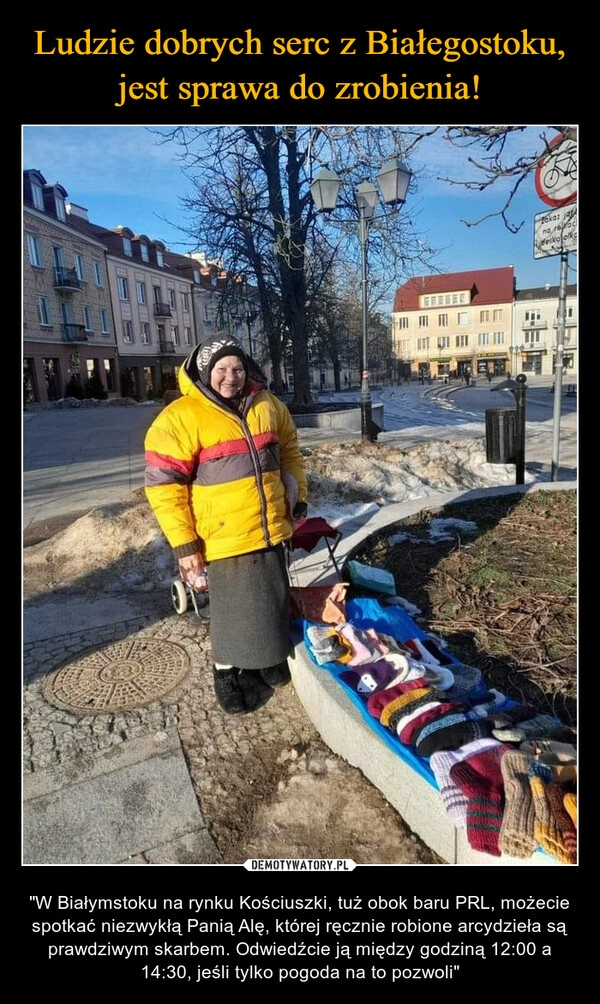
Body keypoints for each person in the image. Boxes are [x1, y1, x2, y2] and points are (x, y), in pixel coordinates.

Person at [144, 336, 308, 716]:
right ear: (204, 372)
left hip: (269, 527)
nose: (230, 378)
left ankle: (267, 659)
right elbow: (165, 489)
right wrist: (185, 544)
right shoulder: (180, 418)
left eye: (236, 368)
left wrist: (298, 495)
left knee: (271, 599)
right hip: (222, 536)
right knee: (233, 610)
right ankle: (226, 672)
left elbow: (290, 452)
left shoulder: (267, 404)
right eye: (220, 370)